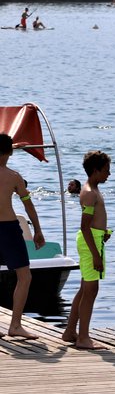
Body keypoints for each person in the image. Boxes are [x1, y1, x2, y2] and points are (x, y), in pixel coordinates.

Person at [61, 150, 111, 349]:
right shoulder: (90, 192)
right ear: (96, 170)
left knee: (84, 289)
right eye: (106, 170)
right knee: (91, 290)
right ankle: (83, 337)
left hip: (94, 239)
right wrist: (96, 254)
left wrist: (103, 233)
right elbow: (85, 226)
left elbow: (93, 223)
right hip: (90, 242)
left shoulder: (94, 189)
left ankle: (70, 331)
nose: (109, 174)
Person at [0, 134, 45, 340]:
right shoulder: (14, 177)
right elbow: (28, 204)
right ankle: (15, 325)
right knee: (24, 276)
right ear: (10, 152)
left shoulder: (13, 176)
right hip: (8, 228)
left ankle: (14, 326)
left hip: (8, 230)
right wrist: (37, 229)